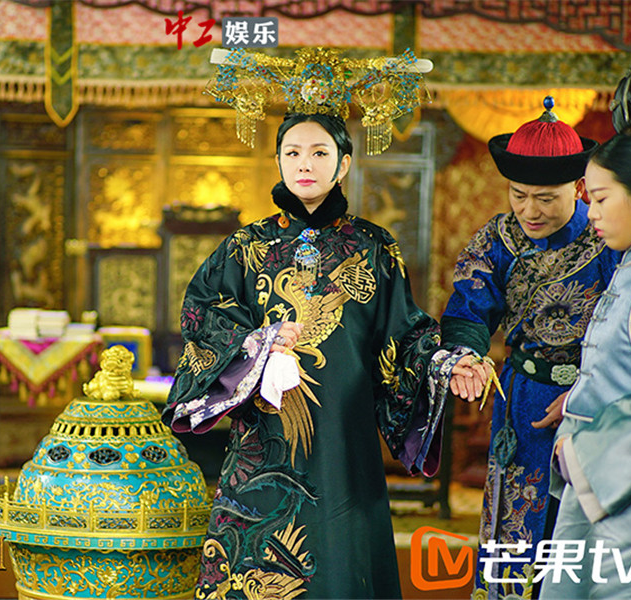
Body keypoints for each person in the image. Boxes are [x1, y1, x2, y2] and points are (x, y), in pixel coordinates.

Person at [164, 48, 459, 599]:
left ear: (343, 164)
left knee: (341, 558)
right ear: (277, 160)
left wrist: (444, 362)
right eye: (293, 151)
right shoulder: (245, 246)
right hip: (265, 435)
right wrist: (257, 344)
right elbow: (202, 315)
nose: (305, 164)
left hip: (344, 434)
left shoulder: (373, 247)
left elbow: (406, 334)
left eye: (320, 152)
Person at [440, 98, 620, 599]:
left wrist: (587, 392)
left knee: (579, 525)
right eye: (518, 195)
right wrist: (468, 357)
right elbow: (468, 309)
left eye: (545, 198)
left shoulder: (606, 239)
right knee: (518, 524)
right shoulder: (498, 240)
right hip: (523, 405)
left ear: (578, 188)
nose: (529, 211)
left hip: (596, 400)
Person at [541, 65, 631, 598]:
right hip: (594, 474)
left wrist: (581, 449)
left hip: (625, 483)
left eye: (600, 197)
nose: (589, 212)